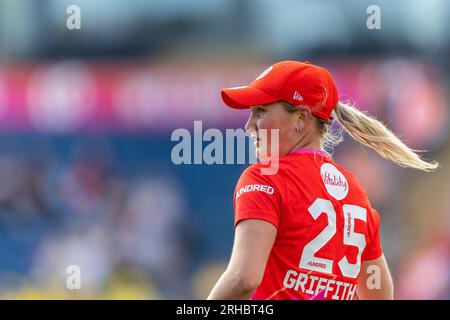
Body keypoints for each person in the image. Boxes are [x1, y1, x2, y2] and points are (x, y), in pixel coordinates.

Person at [207, 60, 438, 300]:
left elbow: (243, 278)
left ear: (300, 119)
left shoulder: (265, 177)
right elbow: (380, 292)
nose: (248, 126)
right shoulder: (355, 190)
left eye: (261, 112)